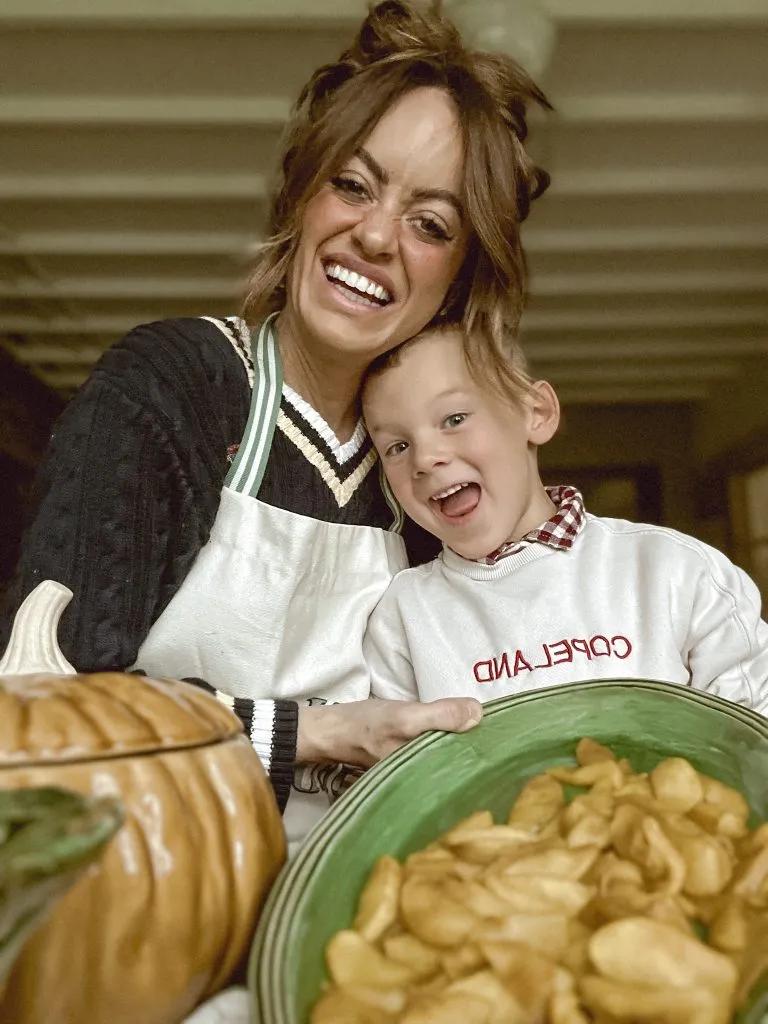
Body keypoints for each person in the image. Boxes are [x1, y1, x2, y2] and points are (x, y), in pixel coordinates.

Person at [0, 0, 552, 846]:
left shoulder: (431, 472)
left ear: (461, 278)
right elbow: (47, 701)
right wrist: (314, 734)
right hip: (148, 891)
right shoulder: (174, 385)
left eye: (430, 224)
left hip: (356, 904)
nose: (374, 234)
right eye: (354, 184)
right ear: (302, 194)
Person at [361, 325, 768, 710]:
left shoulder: (676, 570)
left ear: (535, 412)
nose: (426, 458)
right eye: (397, 446)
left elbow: (750, 740)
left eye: (454, 419)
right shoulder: (402, 616)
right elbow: (395, 772)